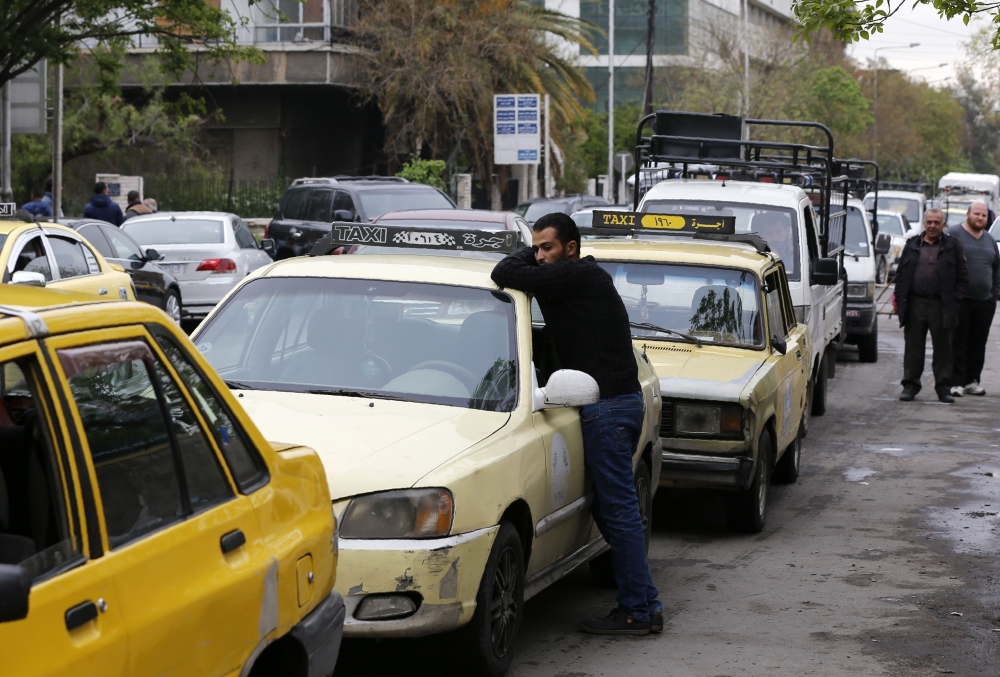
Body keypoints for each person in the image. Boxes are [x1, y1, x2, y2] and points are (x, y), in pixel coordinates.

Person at [491, 212, 661, 636]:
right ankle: (643, 604)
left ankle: (639, 611)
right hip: (612, 403)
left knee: (619, 511)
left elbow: (503, 271)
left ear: (570, 248)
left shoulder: (578, 276)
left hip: (607, 407)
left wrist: (526, 256)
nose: (539, 256)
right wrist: (534, 251)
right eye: (535, 247)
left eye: (547, 247)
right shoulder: (576, 278)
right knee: (613, 509)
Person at [893, 208, 969, 403]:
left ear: (943, 225)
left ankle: (943, 388)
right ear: (924, 223)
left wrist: (956, 299)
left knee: (944, 350)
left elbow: (963, 277)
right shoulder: (912, 245)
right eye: (929, 222)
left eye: (937, 222)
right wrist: (899, 297)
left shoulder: (953, 246)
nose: (933, 226)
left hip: (942, 305)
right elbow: (900, 275)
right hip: (915, 303)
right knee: (913, 348)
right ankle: (910, 386)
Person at [947, 201, 999, 397]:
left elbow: (996, 269)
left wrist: (993, 294)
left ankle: (972, 381)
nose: (980, 218)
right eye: (976, 214)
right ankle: (956, 382)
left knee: (978, 343)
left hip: (984, 301)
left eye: (984, 215)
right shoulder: (953, 234)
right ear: (968, 214)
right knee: (959, 342)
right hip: (960, 300)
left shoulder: (990, 240)